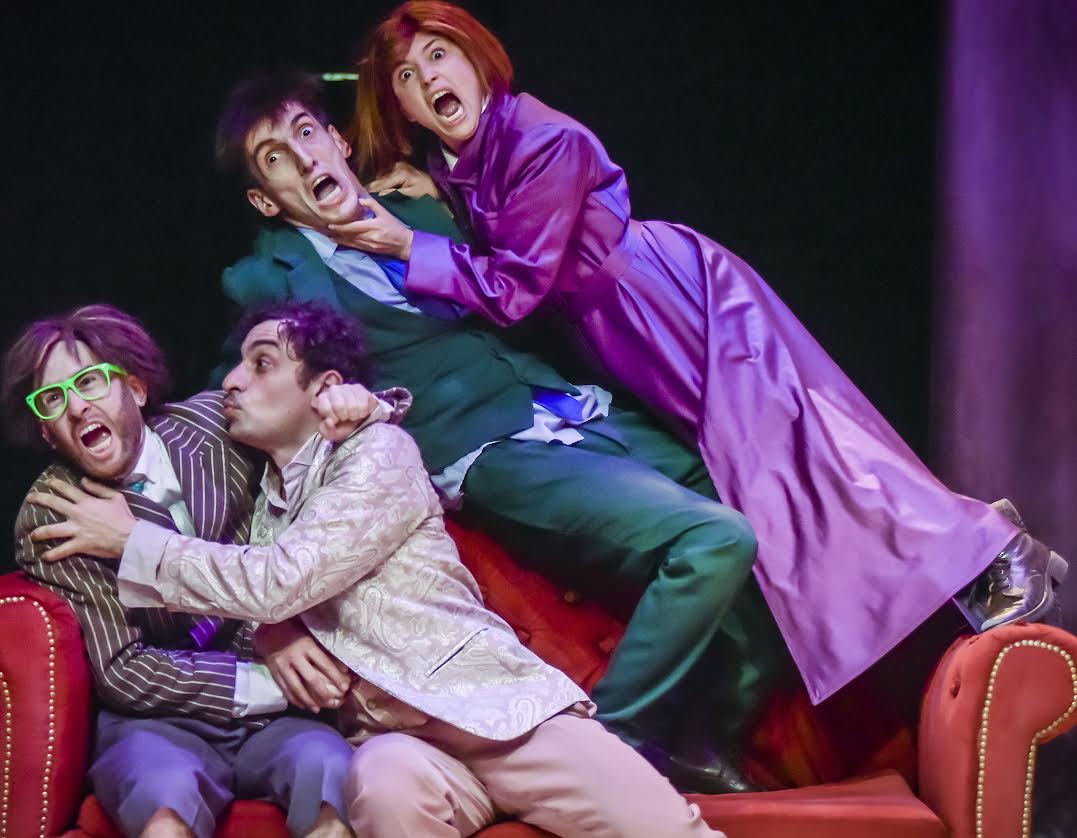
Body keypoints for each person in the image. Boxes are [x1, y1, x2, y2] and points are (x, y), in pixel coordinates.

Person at [343, 0, 1067, 704]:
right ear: (400, 106)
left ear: (476, 60)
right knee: (768, 472)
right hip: (620, 332)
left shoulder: (542, 139)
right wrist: (428, 187)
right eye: (406, 75)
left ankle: (994, 548)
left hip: (670, 304)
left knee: (798, 453)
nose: (428, 78)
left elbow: (514, 287)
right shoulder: (463, 160)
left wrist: (409, 243)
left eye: (439, 54)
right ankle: (953, 568)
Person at [216, 71, 780, 794]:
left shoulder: (424, 205)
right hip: (485, 450)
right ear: (266, 200)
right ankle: (605, 748)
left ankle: (710, 733)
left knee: (765, 522)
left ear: (338, 142)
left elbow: (535, 235)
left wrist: (438, 192)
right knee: (714, 539)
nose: (301, 159)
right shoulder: (268, 279)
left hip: (575, 408)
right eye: (274, 158)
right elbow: (236, 406)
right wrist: (274, 618)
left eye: (305, 134)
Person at [30, 301, 728, 838]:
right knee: (379, 785)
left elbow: (282, 578)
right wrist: (275, 633)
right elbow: (259, 587)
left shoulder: (374, 455)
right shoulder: (262, 503)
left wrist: (135, 542)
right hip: (396, 743)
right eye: (237, 365)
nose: (233, 381)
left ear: (324, 389)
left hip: (491, 714)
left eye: (262, 364)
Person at [2, 303, 391, 838]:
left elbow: (320, 459)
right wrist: (276, 682)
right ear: (48, 433)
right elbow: (122, 669)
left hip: (280, 719)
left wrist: (360, 406)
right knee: (164, 804)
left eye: (89, 381)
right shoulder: (54, 512)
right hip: (159, 723)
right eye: (52, 399)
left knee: (329, 775)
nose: (75, 406)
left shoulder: (214, 426)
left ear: (135, 388)